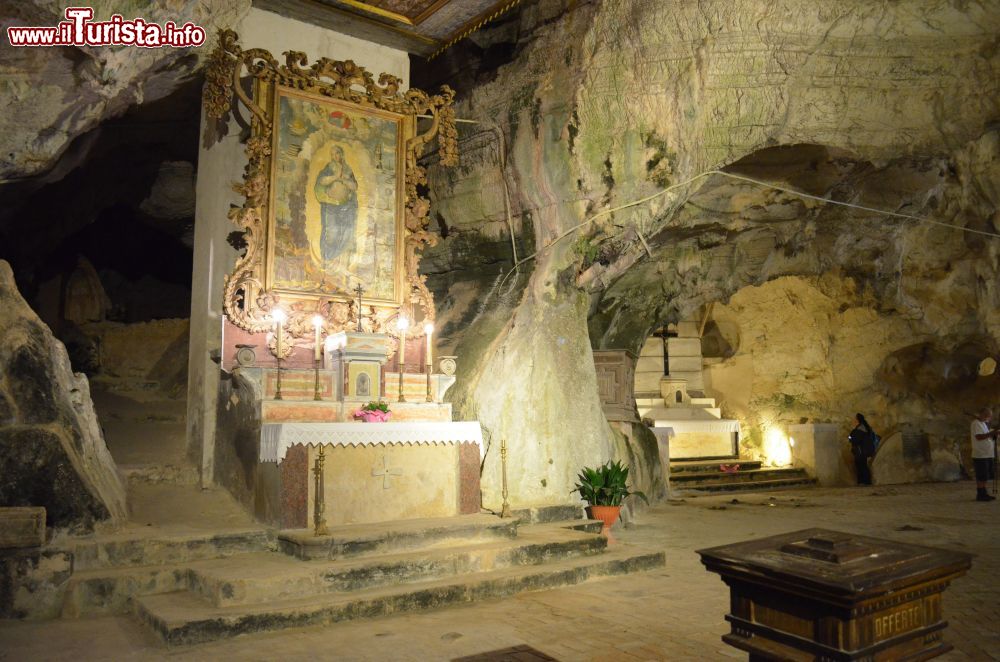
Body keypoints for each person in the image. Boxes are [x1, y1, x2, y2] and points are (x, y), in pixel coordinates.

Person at [970, 407, 997, 502]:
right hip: (980, 454)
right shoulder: (976, 423)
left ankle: (984, 493)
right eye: (986, 415)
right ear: (981, 414)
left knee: (986, 475)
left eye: (989, 416)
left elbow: (986, 436)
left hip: (988, 453)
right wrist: (992, 433)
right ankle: (980, 494)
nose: (988, 417)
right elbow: (979, 437)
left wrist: (993, 435)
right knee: (981, 475)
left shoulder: (983, 424)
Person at [848, 413, 877, 485]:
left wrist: (850, 437)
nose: (853, 420)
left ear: (857, 420)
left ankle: (864, 482)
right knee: (863, 465)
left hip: (860, 451)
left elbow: (854, 439)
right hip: (863, 450)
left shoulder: (860, 429)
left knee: (861, 466)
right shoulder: (865, 428)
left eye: (855, 418)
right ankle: (865, 481)